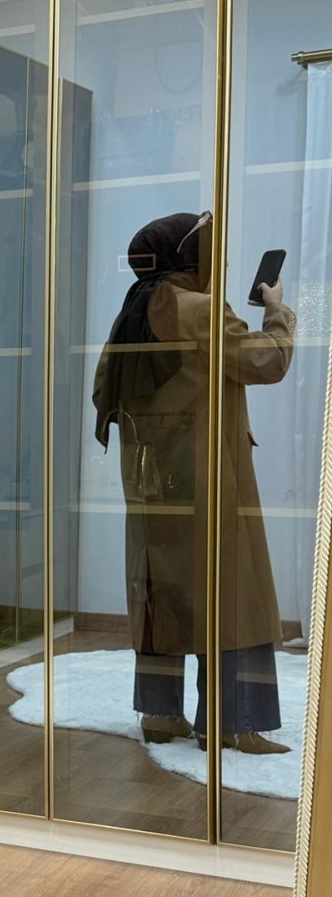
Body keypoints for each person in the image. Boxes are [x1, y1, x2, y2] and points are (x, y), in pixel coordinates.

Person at [92, 210, 296, 756]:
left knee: (161, 594)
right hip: (208, 479)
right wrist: (277, 311)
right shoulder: (199, 308)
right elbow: (266, 361)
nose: (218, 263)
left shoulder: (132, 311)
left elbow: (102, 392)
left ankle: (160, 716)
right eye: (211, 253)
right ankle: (231, 722)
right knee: (234, 592)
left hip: (150, 483)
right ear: (190, 258)